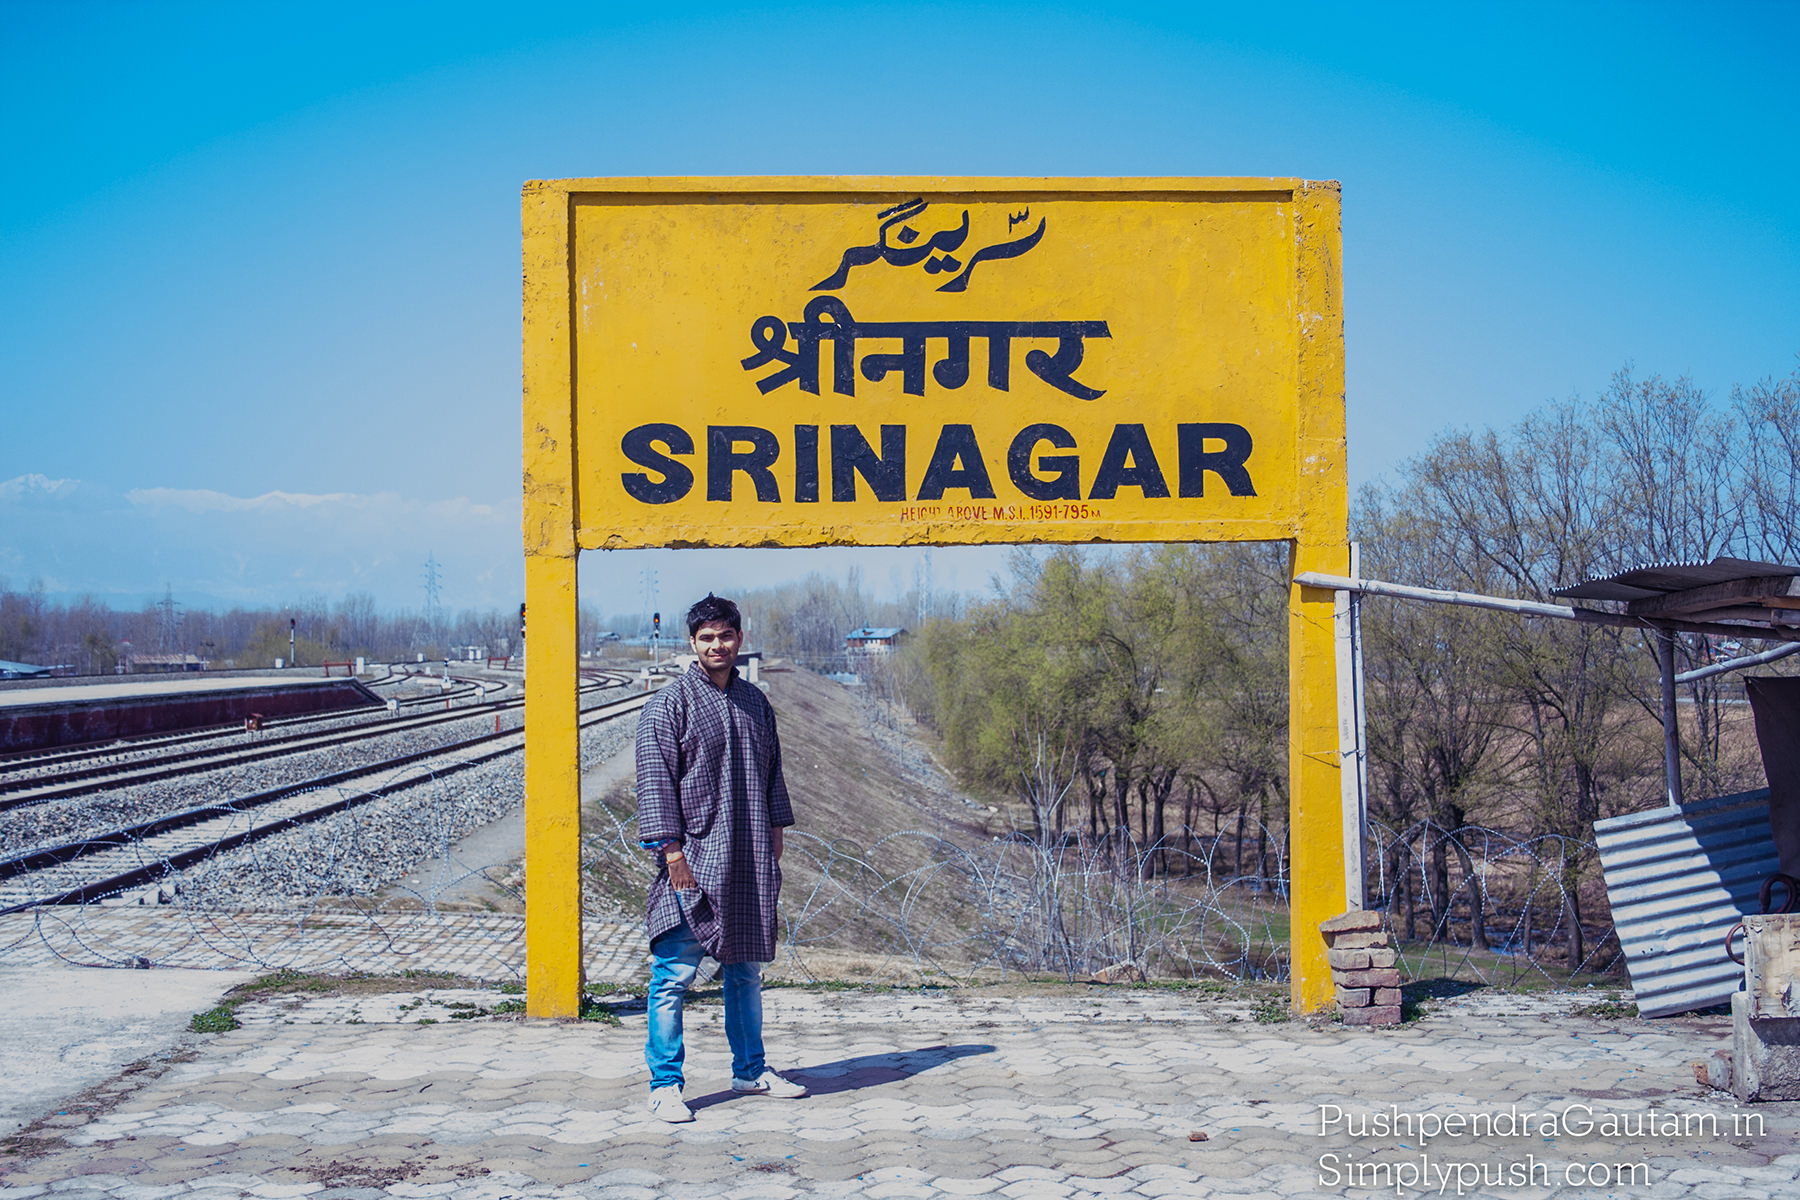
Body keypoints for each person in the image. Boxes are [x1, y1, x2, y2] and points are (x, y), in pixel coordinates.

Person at [635, 593, 808, 1122]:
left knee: (745, 972)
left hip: (749, 857)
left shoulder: (756, 702)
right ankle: (665, 1085)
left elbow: (773, 773)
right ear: (693, 643)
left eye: (726, 636)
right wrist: (672, 855)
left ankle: (750, 1070)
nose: (717, 645)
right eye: (707, 637)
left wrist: (775, 832)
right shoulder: (669, 705)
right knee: (673, 975)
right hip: (694, 858)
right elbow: (655, 783)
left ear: (740, 639)